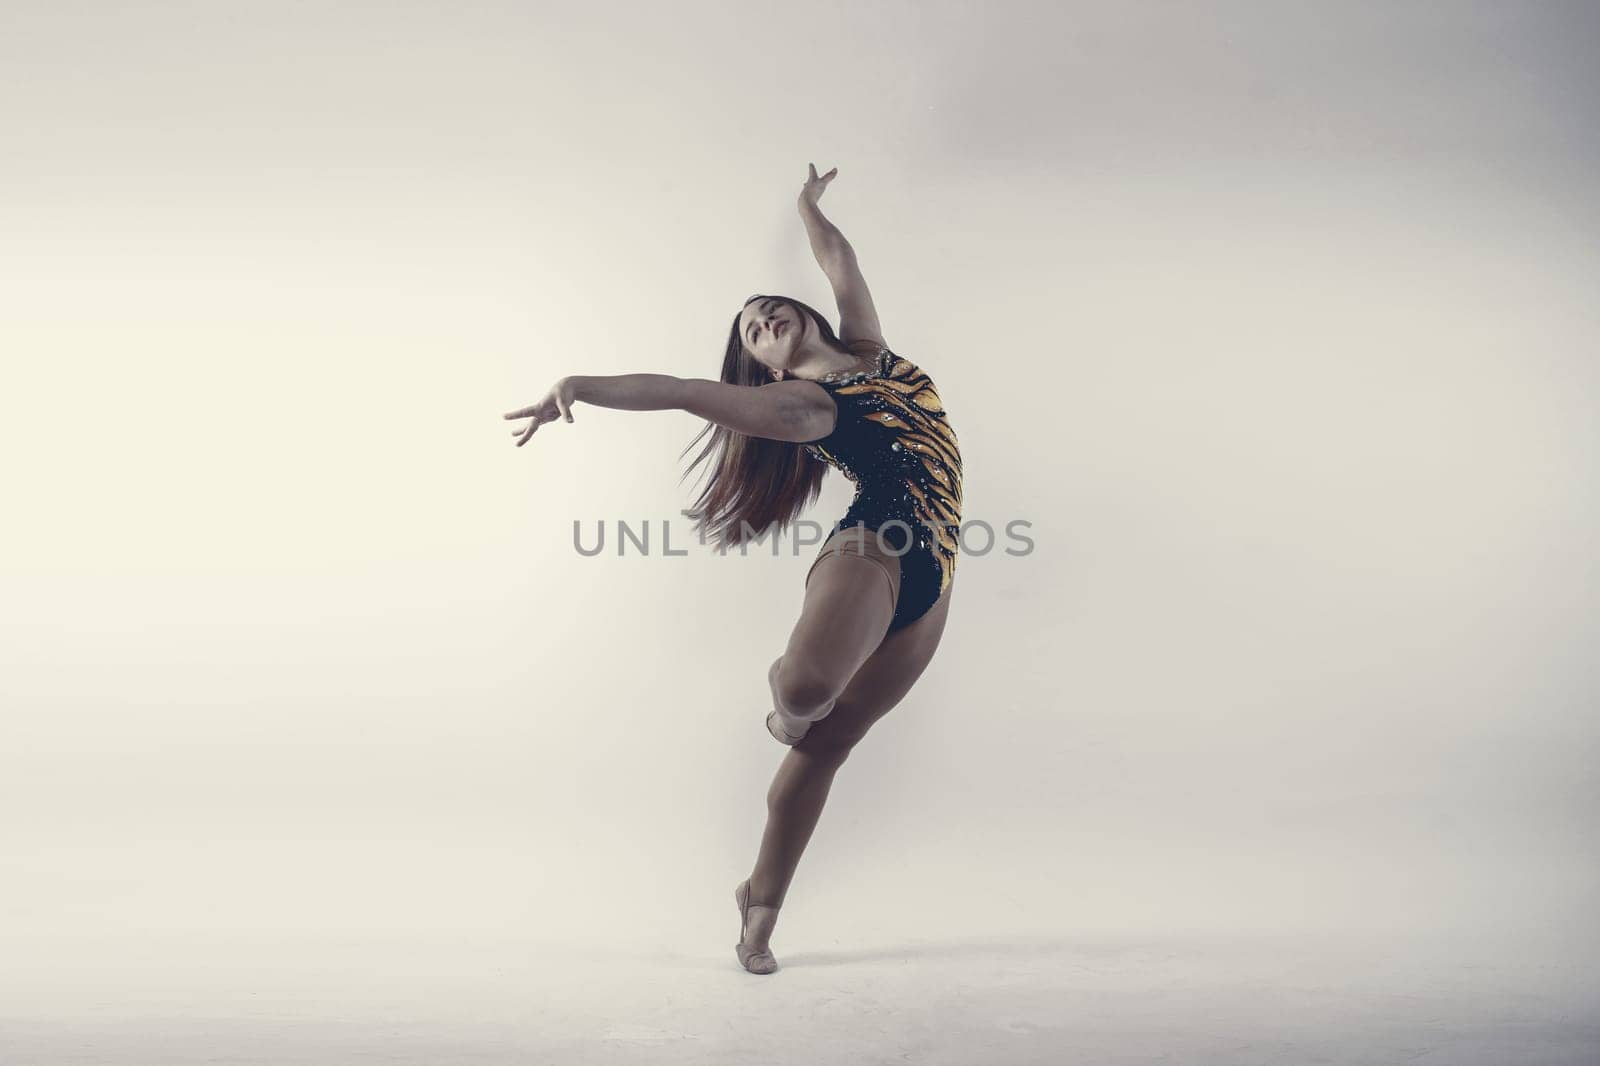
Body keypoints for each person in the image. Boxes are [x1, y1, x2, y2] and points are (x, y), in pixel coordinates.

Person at [503, 165, 964, 975]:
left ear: (807, 315)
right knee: (807, 698)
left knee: (831, 748)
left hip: (940, 578)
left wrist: (807, 207)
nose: (762, 317)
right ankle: (784, 706)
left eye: (767, 308)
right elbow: (683, 391)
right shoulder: (805, 406)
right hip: (876, 545)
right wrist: (579, 385)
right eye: (751, 329)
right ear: (766, 372)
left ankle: (759, 907)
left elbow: (841, 263)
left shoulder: (871, 350)